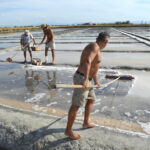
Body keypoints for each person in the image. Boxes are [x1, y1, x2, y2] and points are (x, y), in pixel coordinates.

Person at [65, 32, 110, 140]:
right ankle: (68, 130)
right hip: (82, 78)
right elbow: (87, 61)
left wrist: (96, 81)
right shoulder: (94, 47)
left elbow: (94, 68)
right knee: (76, 105)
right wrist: (85, 79)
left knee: (91, 100)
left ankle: (85, 123)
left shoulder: (96, 47)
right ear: (106, 42)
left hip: (87, 79)